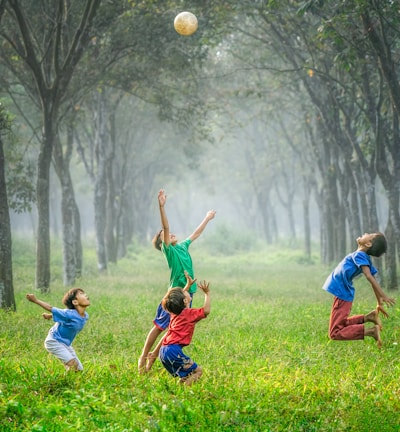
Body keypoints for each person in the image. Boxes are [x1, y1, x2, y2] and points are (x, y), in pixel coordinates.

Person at [138, 189, 216, 373]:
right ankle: (143, 357)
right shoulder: (169, 251)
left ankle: (154, 358)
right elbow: (165, 227)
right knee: (159, 327)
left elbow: (195, 234)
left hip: (188, 293)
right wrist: (161, 206)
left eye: (170, 233)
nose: (170, 234)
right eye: (164, 235)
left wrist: (207, 218)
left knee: (175, 327)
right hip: (174, 295)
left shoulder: (182, 246)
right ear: (162, 243)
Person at [322, 232, 395, 348]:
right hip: (342, 293)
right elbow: (372, 278)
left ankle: (371, 332)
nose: (365, 233)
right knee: (340, 323)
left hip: (342, 294)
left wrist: (383, 295)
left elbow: (369, 276)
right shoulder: (362, 256)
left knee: (334, 332)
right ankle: (368, 317)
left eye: (369, 234)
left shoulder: (360, 255)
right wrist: (379, 302)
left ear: (368, 244)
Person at [156, 271, 211, 386]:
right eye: (185, 293)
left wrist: (188, 285)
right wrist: (207, 294)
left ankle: (179, 391)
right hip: (173, 351)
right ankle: (185, 393)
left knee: (186, 375)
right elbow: (206, 311)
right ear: (185, 300)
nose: (186, 292)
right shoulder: (188, 314)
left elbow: (177, 299)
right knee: (197, 371)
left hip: (163, 351)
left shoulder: (174, 311)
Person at [26, 288, 90, 371]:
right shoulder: (68, 314)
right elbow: (51, 308)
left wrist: (49, 316)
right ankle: (64, 382)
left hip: (66, 344)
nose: (85, 295)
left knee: (78, 369)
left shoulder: (85, 316)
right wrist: (35, 300)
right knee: (72, 364)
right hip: (54, 341)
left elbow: (63, 316)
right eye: (81, 294)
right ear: (75, 302)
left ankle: (69, 381)